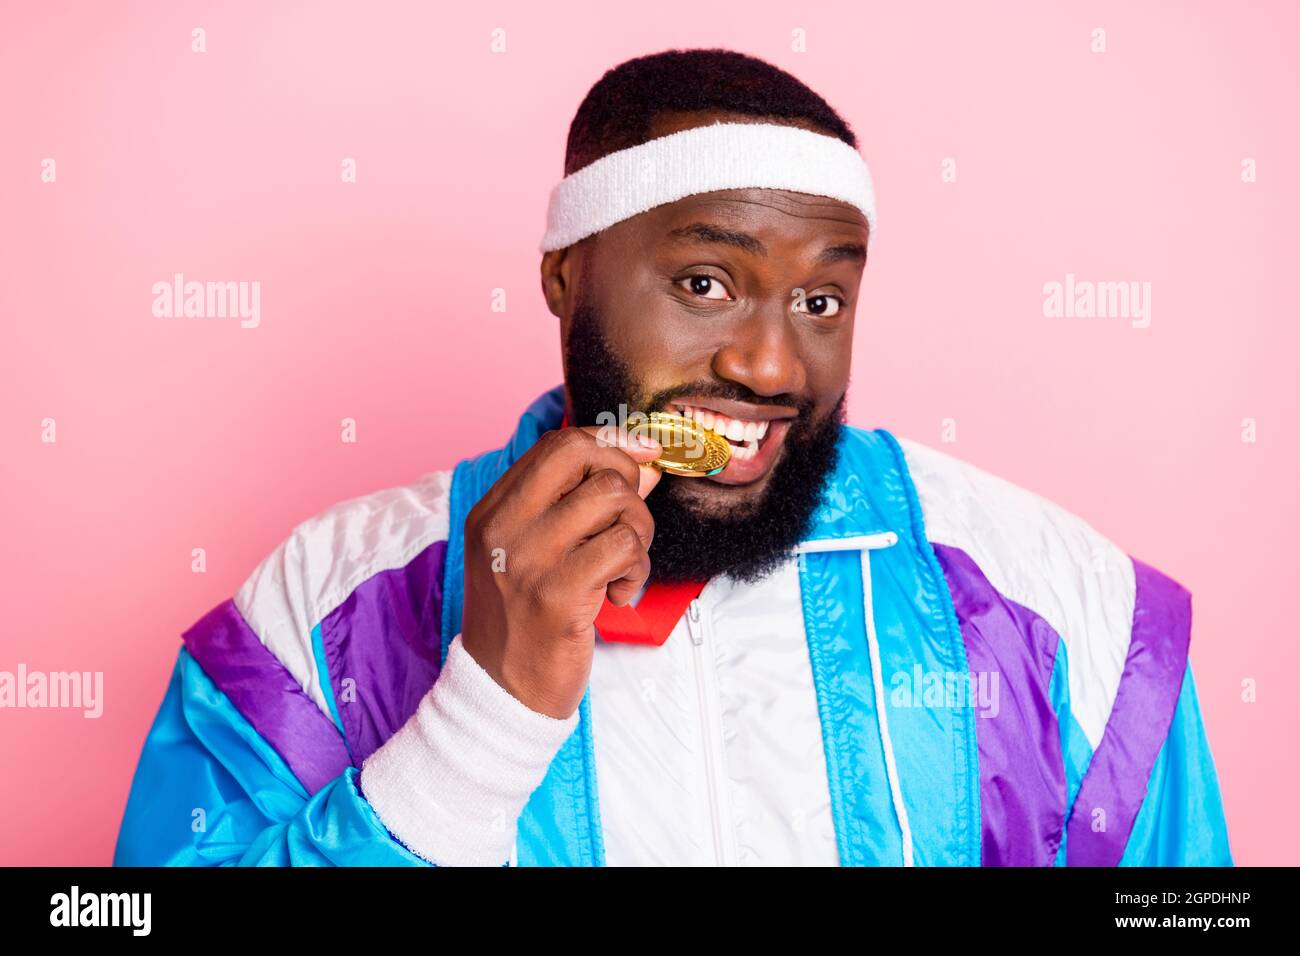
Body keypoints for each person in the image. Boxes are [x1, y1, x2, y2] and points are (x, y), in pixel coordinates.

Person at [113, 48, 1231, 867]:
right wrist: (478, 725)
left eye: (820, 298)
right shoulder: (319, 616)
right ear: (566, 275)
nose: (768, 364)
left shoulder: (1073, 612)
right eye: (705, 282)